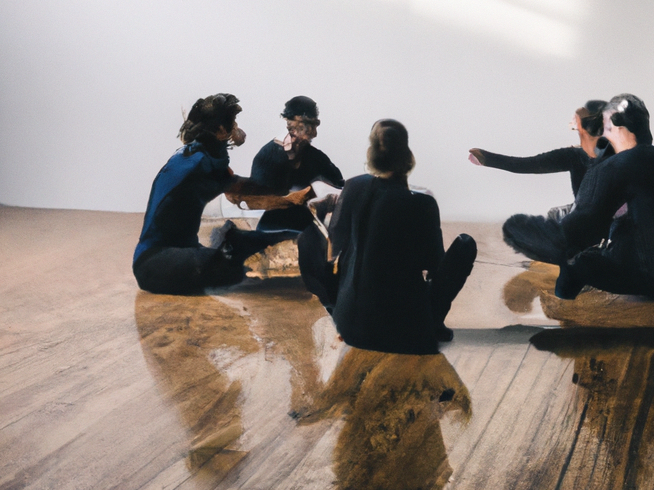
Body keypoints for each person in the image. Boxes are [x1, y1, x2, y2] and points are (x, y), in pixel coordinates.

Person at [297, 119, 477, 353]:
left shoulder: (353, 187)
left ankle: (334, 306)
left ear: (371, 153)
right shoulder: (423, 203)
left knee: (307, 236)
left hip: (349, 327)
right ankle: (434, 323)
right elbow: (434, 265)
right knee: (465, 245)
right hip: (404, 332)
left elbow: (335, 248)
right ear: (408, 156)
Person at [133, 94, 311, 294]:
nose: (236, 128)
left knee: (239, 245)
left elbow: (240, 187)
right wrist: (290, 199)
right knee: (231, 267)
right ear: (220, 130)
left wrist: (291, 196)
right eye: (233, 123)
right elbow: (240, 194)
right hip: (154, 263)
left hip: (179, 252)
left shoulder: (201, 155)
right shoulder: (197, 164)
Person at [554, 94, 654, 301]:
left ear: (614, 124)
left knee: (576, 262)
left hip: (653, 280)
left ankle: (559, 308)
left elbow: (581, 223)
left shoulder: (618, 165)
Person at [469, 99, 612, 263]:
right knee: (556, 215)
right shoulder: (585, 154)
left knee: (560, 220)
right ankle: (586, 254)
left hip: (605, 226)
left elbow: (529, 164)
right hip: (601, 224)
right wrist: (488, 159)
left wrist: (487, 159)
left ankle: (585, 256)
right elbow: (530, 164)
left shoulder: (581, 155)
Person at [249, 95, 344, 243]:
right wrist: (292, 198)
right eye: (305, 127)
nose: (313, 133)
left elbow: (338, 183)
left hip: (305, 231)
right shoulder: (267, 156)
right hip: (272, 230)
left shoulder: (316, 158)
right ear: (289, 125)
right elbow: (254, 198)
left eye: (313, 127)